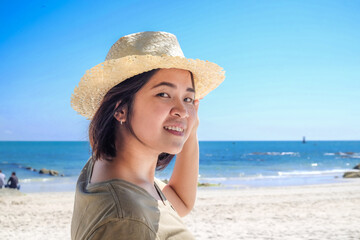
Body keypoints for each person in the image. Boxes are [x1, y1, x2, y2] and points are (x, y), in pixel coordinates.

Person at [70, 31, 225, 239]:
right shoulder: (126, 221)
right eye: (163, 94)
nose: (182, 110)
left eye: (188, 98)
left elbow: (180, 201)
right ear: (121, 108)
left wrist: (190, 126)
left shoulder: (110, 167)